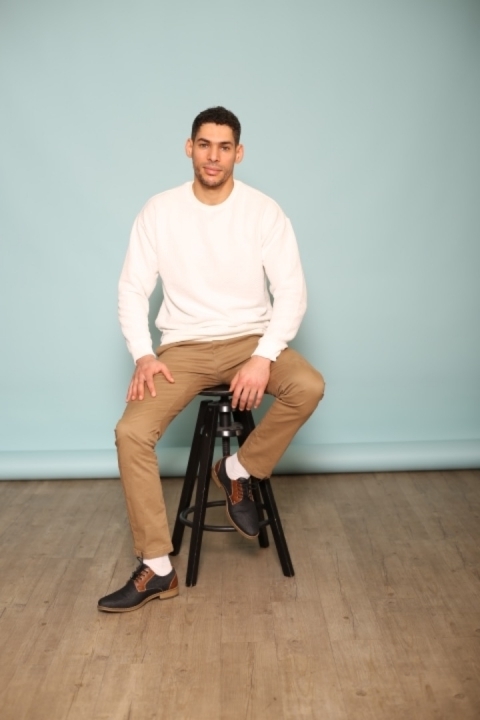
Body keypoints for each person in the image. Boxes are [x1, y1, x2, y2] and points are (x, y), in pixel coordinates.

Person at [97, 106, 325, 613]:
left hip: (251, 341)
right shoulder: (159, 210)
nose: (213, 156)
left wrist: (263, 357)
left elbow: (292, 292)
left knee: (308, 385)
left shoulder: (264, 211)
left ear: (238, 153)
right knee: (131, 432)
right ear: (189, 147)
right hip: (184, 347)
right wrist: (143, 354)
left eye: (224, 147)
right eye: (204, 145)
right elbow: (132, 289)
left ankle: (239, 468)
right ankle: (157, 567)